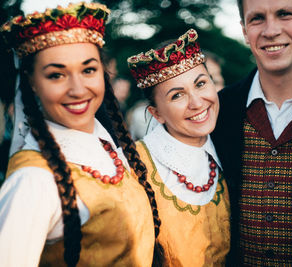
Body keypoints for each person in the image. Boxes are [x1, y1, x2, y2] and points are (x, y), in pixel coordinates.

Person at [0, 3, 162, 266]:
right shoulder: (33, 180)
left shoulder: (109, 148)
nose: (77, 89)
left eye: (88, 70)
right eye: (56, 75)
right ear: (32, 82)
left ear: (103, 72)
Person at [211, 0, 292, 265]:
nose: (271, 30)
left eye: (285, 14)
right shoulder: (219, 110)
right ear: (244, 29)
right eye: (257, 18)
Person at [127, 29, 230, 266]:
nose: (196, 103)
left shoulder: (230, 147)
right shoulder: (135, 167)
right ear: (157, 113)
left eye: (201, 84)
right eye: (177, 96)